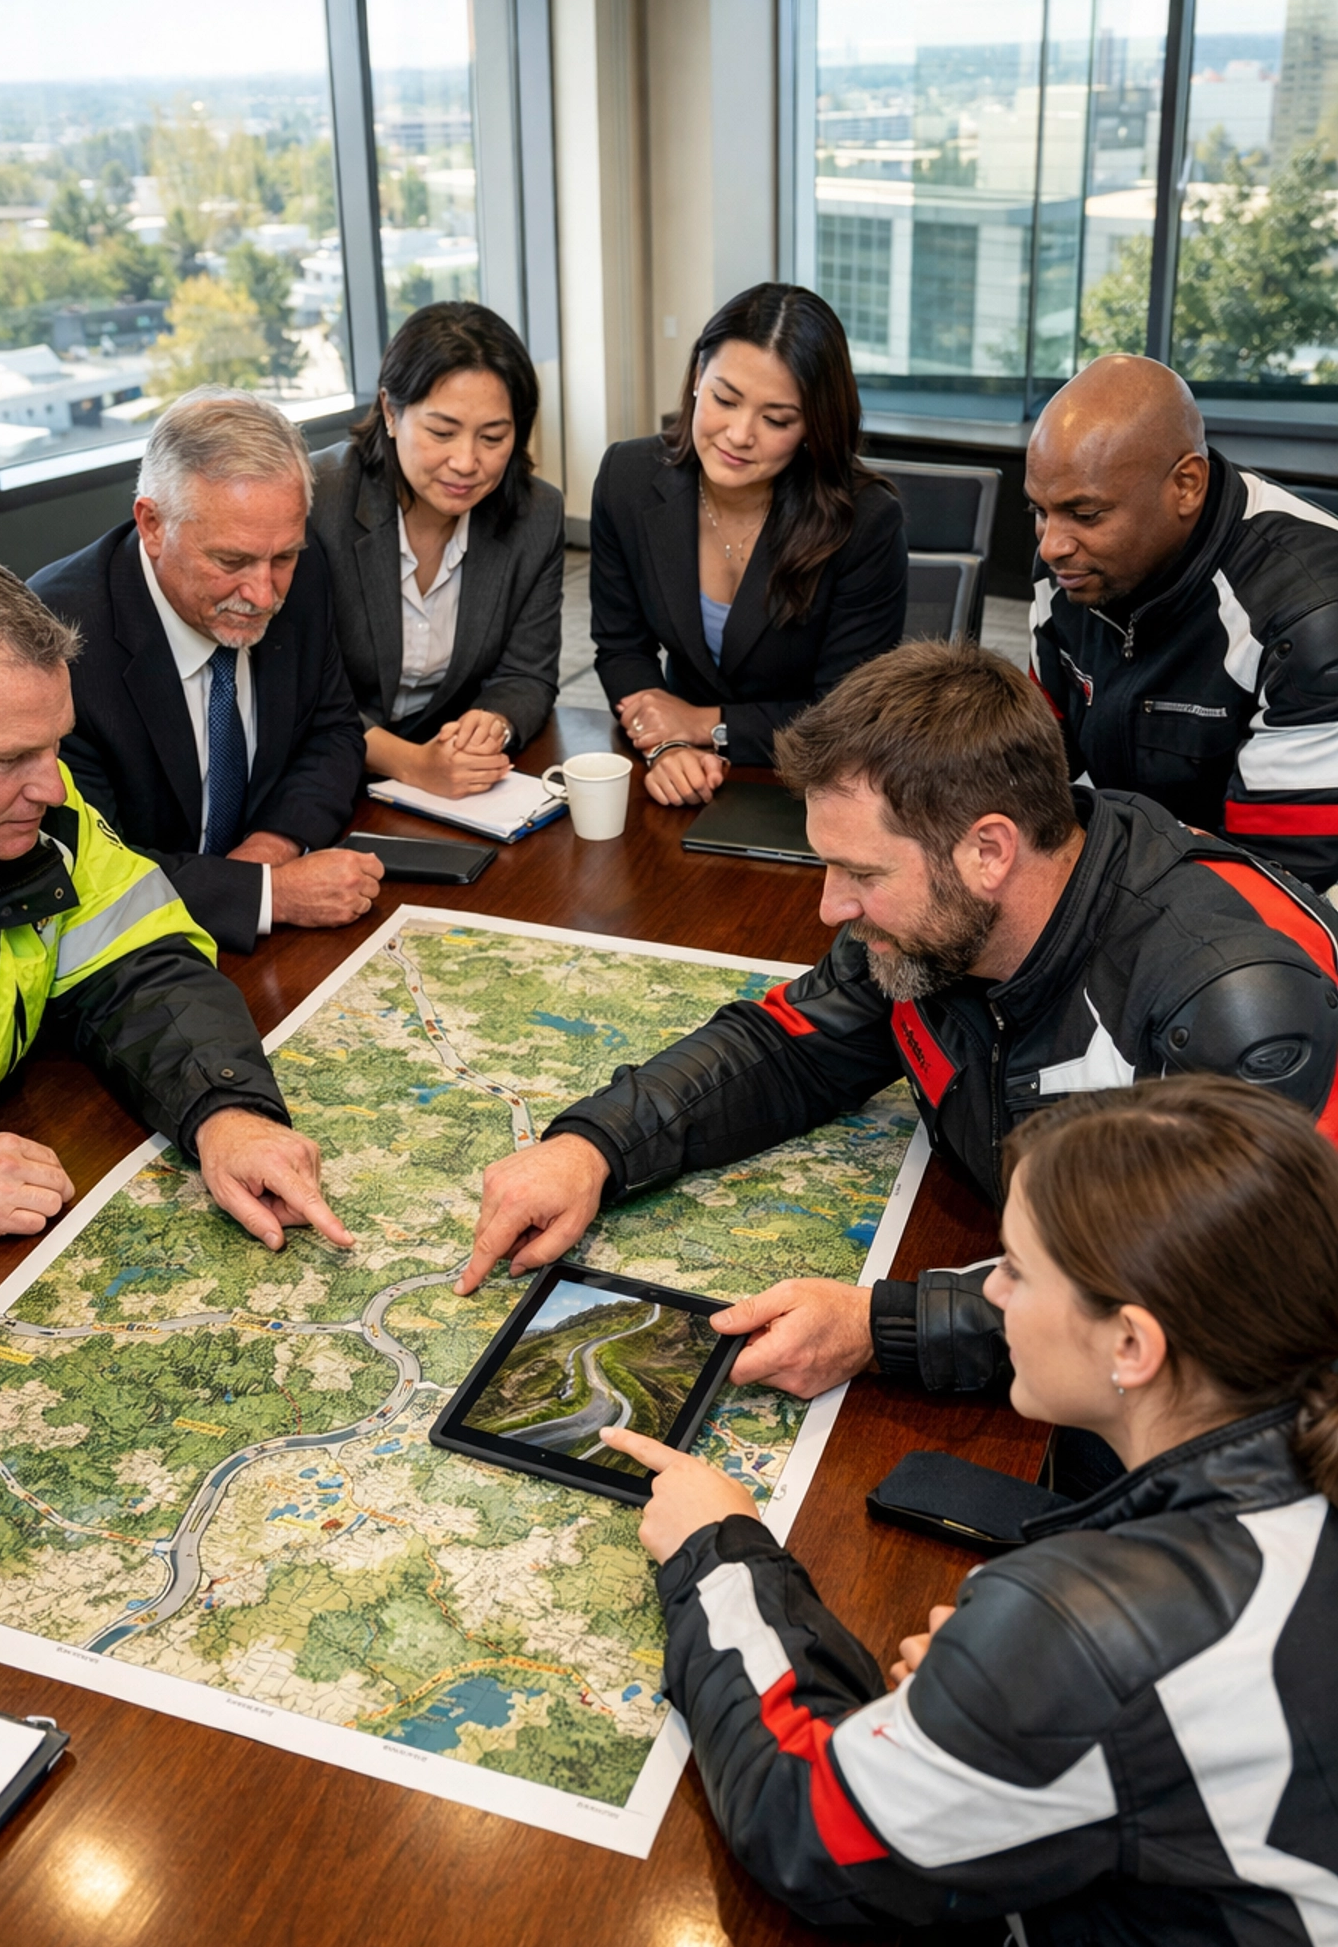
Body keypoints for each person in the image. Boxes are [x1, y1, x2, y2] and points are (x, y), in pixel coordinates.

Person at [601, 1075, 1338, 1947]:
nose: (989, 1294)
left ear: (1133, 1346)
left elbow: (808, 1822)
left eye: (1019, 1274)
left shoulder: (1091, 1626)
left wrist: (718, 1550)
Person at [458, 642, 1338, 1425]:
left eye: (860, 873)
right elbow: (786, 1047)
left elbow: (1179, 1307)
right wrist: (594, 1147)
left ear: (989, 851)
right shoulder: (936, 922)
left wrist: (881, 1331)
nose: (830, 906)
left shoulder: (1234, 1003)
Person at [0, 543, 355, 1276]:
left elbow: (142, 959)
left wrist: (226, 1112)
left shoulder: (32, 808)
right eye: (8, 760)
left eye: (54, 746)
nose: (54, 790)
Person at [32, 389, 375, 956]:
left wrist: (271, 848)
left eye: (283, 558)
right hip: (125, 961)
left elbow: (332, 732)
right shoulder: (58, 640)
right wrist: (267, 893)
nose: (263, 594)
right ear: (152, 525)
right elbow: (87, 865)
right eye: (231, 561)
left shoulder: (304, 575)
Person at [1028, 352, 1338, 896]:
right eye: (1038, 511)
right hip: (1145, 871)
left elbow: (1276, 882)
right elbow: (1031, 769)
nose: (1052, 545)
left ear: (1186, 486)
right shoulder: (1069, 572)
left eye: (1086, 514)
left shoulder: (1312, 615)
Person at [590, 282, 907, 806]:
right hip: (679, 774)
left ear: (812, 425)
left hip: (814, 786)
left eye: (777, 419)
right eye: (725, 399)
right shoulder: (626, 478)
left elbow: (845, 713)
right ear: (697, 379)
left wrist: (703, 724)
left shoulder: (866, 521)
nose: (739, 434)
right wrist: (667, 744)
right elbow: (622, 646)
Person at [310, 302, 563, 801]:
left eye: (493, 437)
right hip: (323, 774)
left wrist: (491, 724)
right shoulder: (319, 500)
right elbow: (300, 694)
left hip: (461, 780)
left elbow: (527, 674)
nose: (466, 462)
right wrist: (412, 763)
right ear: (390, 411)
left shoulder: (535, 514)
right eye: (442, 433)